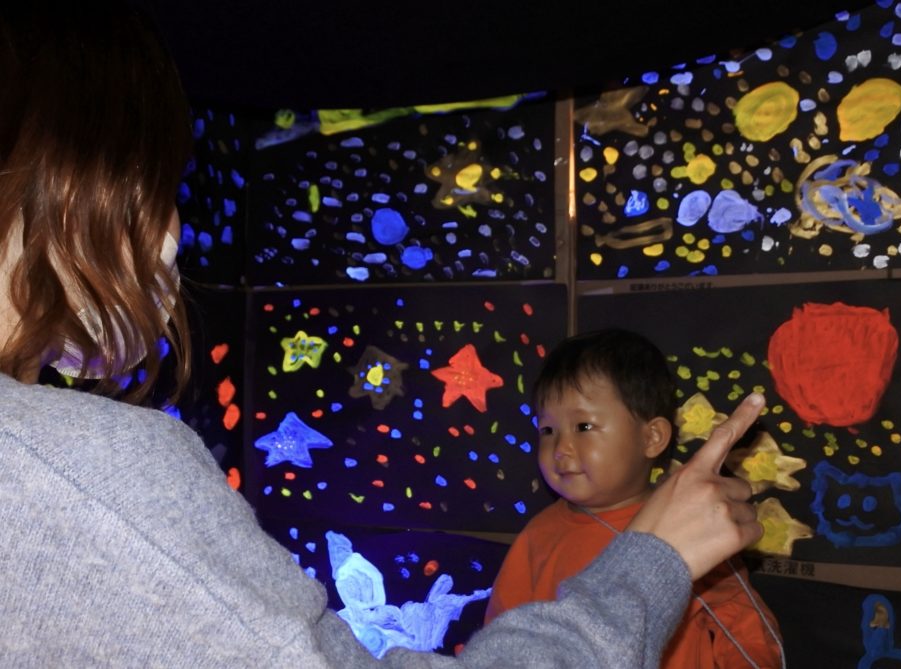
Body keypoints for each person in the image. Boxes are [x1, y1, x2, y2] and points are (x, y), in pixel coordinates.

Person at [0, 4, 764, 666]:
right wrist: (656, 561)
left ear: (654, 433)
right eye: (156, 184)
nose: (172, 230)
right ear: (64, 171)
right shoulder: (86, 467)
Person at [485, 330, 784, 669]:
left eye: (583, 427)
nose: (560, 448)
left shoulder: (688, 524)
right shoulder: (536, 537)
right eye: (548, 430)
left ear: (652, 437)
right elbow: (500, 638)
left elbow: (744, 625)